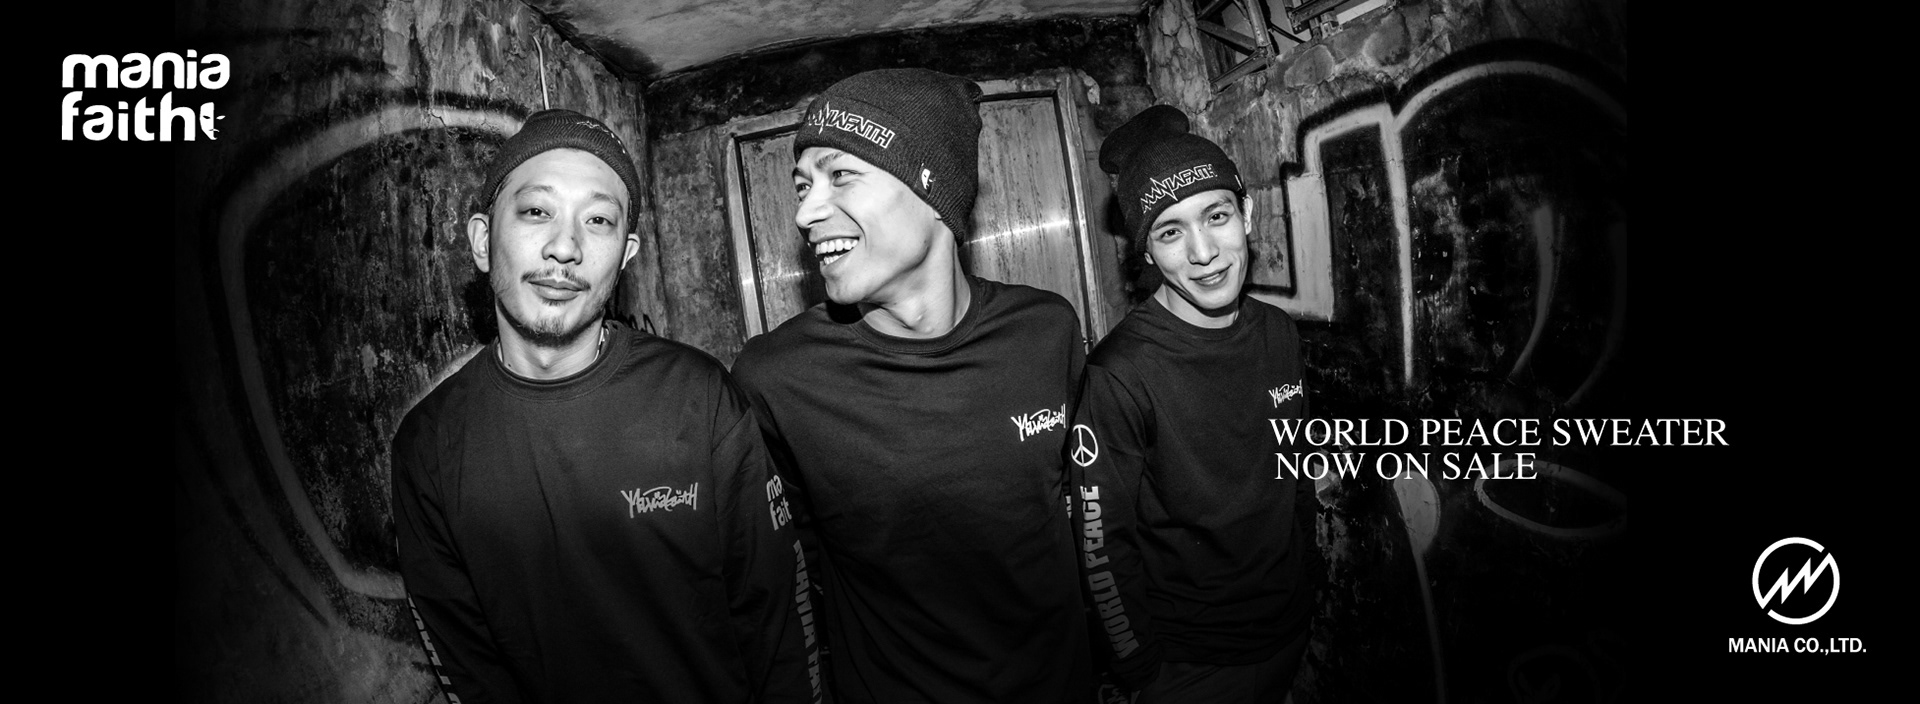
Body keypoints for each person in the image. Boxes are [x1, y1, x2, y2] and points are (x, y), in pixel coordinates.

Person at [391, 109, 824, 704]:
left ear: (625, 254)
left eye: (597, 220)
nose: (564, 247)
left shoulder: (698, 397)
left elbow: (779, 622)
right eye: (537, 211)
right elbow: (468, 668)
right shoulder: (429, 445)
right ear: (483, 241)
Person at [730, 68, 1091, 704]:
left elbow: (1075, 510)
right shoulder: (776, 379)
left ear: (934, 191)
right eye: (803, 185)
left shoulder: (1046, 332)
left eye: (841, 175)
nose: (806, 212)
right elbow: (785, 575)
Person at [1072, 105, 1323, 702]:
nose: (1204, 252)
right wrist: (1139, 667)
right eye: (1169, 232)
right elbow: (1101, 541)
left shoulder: (1278, 332)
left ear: (1247, 214)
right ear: (1146, 253)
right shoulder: (1119, 373)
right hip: (1190, 663)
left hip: (1287, 627)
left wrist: (1308, 574)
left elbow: (1295, 472)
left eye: (1216, 216)